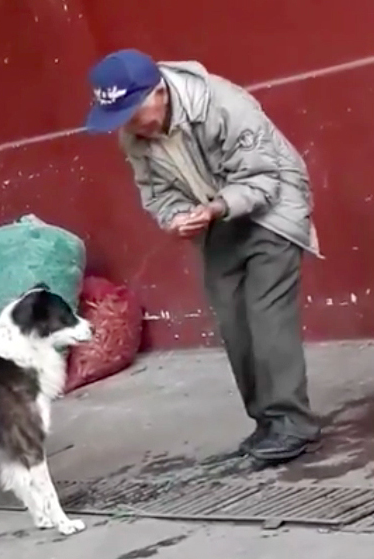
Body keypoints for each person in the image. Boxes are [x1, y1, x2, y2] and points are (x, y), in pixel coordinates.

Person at [84, 49, 322, 463]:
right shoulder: (134, 138)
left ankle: (294, 422)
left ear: (158, 91)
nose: (128, 125)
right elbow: (155, 193)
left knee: (267, 317)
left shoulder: (222, 104)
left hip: (271, 208)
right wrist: (175, 219)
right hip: (215, 218)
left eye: (132, 112)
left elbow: (262, 177)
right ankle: (268, 422)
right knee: (234, 324)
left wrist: (214, 208)